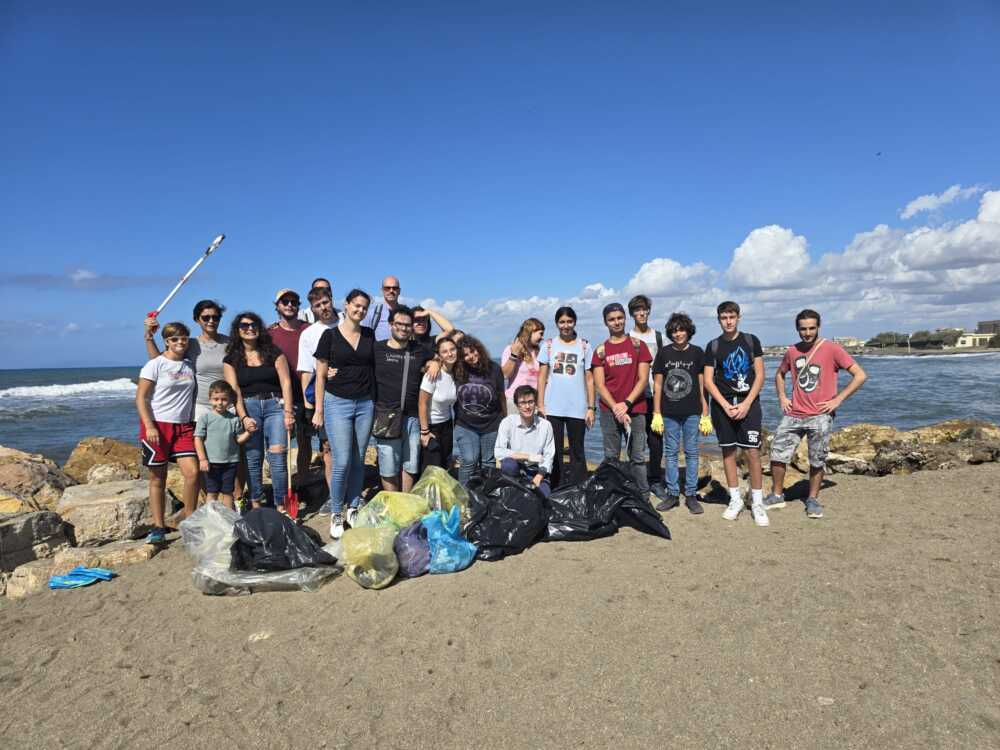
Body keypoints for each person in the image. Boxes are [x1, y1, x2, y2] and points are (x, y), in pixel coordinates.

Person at [765, 309, 868, 518]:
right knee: (777, 452)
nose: (807, 333)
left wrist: (838, 399)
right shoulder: (792, 351)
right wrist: (783, 398)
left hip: (820, 415)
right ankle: (777, 495)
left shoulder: (832, 349)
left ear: (818, 327)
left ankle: (812, 499)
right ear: (797, 329)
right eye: (803, 329)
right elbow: (779, 374)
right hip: (794, 413)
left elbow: (860, 375)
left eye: (812, 328)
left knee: (817, 458)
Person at [312, 289, 376, 539]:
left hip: (366, 403)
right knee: (342, 461)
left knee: (359, 459)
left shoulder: (369, 335)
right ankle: (336, 512)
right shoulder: (329, 336)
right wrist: (318, 410)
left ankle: (353, 507)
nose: (360, 310)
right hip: (336, 403)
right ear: (347, 305)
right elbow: (320, 375)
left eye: (364, 308)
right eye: (356, 305)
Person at [703, 301, 768, 526]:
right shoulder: (713, 346)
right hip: (723, 407)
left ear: (738, 317)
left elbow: (760, 375)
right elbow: (709, 381)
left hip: (748, 404)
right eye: (724, 317)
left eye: (732, 316)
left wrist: (747, 403)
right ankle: (735, 499)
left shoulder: (751, 341)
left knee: (752, 452)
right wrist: (724, 404)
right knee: (728, 452)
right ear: (719, 319)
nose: (728, 321)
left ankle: (758, 502)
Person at [223, 312, 295, 514]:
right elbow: (234, 389)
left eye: (253, 324)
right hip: (249, 407)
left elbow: (286, 383)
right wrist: (244, 417)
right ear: (238, 330)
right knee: (253, 460)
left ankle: (281, 506)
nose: (249, 328)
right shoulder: (231, 359)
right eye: (244, 325)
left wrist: (288, 413)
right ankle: (257, 505)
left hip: (275, 406)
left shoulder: (274, 353)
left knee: (278, 457)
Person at [135, 321, 199, 544]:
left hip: (184, 426)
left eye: (183, 338)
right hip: (157, 426)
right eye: (174, 339)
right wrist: (149, 425)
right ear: (167, 342)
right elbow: (141, 397)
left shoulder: (189, 365)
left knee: (192, 473)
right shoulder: (155, 365)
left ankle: (190, 519)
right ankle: (158, 526)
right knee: (157, 478)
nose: (180, 342)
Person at [592, 302, 653, 495]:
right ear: (605, 323)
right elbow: (600, 385)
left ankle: (642, 494)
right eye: (611, 319)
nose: (616, 322)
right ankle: (613, 493)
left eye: (619, 318)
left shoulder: (638, 346)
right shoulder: (601, 351)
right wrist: (616, 407)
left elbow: (643, 379)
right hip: (609, 410)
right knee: (611, 456)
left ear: (625, 319)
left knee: (638, 456)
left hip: (636, 408)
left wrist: (626, 404)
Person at [650, 312, 708, 514]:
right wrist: (656, 412)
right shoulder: (664, 353)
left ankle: (691, 495)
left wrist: (705, 412)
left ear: (688, 331)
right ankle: (673, 494)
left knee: (692, 453)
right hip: (669, 412)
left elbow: (702, 385)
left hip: (693, 411)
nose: (678, 334)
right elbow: (657, 384)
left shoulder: (697, 353)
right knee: (671, 453)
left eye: (681, 329)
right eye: (674, 331)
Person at [373, 305, 433, 492]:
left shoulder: (420, 350)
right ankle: (393, 504)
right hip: (386, 415)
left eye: (408, 325)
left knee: (410, 463)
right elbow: (356, 365)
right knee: (388, 465)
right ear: (391, 324)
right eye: (399, 324)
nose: (404, 328)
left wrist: (435, 362)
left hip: (412, 417)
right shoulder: (377, 349)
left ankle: (405, 502)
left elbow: (450, 336)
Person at [537, 306, 595, 488]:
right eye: (562, 322)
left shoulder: (584, 345)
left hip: (577, 407)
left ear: (575, 322)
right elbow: (541, 377)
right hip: (552, 407)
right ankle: (556, 486)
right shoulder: (548, 345)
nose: (566, 325)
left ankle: (579, 487)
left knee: (577, 450)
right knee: (554, 450)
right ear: (556, 323)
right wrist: (540, 405)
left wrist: (591, 408)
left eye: (569, 321)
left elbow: (590, 378)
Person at [144, 300, 229, 421]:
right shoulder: (191, 344)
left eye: (215, 317)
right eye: (206, 317)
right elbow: (159, 361)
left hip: (228, 404)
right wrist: (149, 336)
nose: (211, 321)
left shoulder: (230, 343)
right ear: (197, 319)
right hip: (200, 407)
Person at [297, 286, 338, 510]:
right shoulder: (309, 333)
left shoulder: (346, 323)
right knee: (328, 448)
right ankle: (334, 496)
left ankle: (352, 494)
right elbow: (305, 370)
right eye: (317, 305)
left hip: (352, 394)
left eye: (325, 302)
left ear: (331, 300)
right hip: (325, 397)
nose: (323, 308)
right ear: (312, 309)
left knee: (352, 448)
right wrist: (309, 405)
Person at [268, 288, 311, 484]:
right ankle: (282, 486)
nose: (290, 305)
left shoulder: (308, 329)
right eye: (285, 302)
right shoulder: (269, 333)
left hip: (305, 394)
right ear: (277, 305)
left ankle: (302, 481)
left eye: (294, 302)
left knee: (305, 441)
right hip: (279, 395)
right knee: (280, 443)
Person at [453, 335, 506, 485]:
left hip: (491, 424)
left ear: (479, 349)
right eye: (465, 355)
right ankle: (463, 497)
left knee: (488, 462)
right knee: (469, 459)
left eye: (472, 351)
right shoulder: (457, 370)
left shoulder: (494, 369)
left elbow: (501, 395)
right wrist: (435, 363)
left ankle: (485, 497)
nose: (471, 356)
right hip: (465, 425)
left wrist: (504, 419)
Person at [628, 294, 665, 496]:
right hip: (635, 397)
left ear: (649, 311)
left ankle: (655, 480)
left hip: (657, 395)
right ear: (632, 314)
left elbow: (668, 363)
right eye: (637, 310)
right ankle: (637, 481)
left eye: (644, 309)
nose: (641, 313)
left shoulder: (659, 337)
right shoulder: (627, 337)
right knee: (636, 440)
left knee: (656, 439)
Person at [193, 380, 251, 510]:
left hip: (230, 462)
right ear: (210, 399)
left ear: (230, 401)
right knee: (212, 492)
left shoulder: (234, 419)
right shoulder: (205, 418)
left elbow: (239, 440)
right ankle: (210, 519)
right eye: (216, 399)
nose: (220, 402)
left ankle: (228, 520)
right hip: (211, 462)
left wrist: (248, 432)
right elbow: (198, 439)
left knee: (228, 492)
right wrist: (202, 459)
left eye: (224, 399)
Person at [494, 385, 556, 498]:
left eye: (530, 402)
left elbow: (548, 456)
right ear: (517, 405)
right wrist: (528, 456)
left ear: (535, 404)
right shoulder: (507, 422)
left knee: (544, 496)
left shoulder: (546, 425)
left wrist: (539, 477)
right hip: (516, 468)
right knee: (508, 464)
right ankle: (513, 488)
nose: (527, 406)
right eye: (522, 403)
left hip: (537, 471)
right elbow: (499, 452)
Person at [418, 336, 459, 471]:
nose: (450, 353)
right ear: (439, 355)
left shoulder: (456, 373)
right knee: (432, 467)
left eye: (452, 349)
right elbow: (422, 403)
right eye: (445, 351)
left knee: (445, 465)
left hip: (447, 425)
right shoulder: (433, 374)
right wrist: (425, 432)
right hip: (431, 426)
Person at [501, 318, 545, 415]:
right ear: (530, 331)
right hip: (514, 401)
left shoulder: (541, 352)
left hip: (533, 402)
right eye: (540, 333)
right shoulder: (510, 348)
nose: (542, 337)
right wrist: (514, 354)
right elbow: (504, 375)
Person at [362, 275, 400, 341]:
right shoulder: (372, 313)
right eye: (387, 288)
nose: (391, 291)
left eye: (395, 288)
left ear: (399, 291)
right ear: (382, 291)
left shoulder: (406, 313)